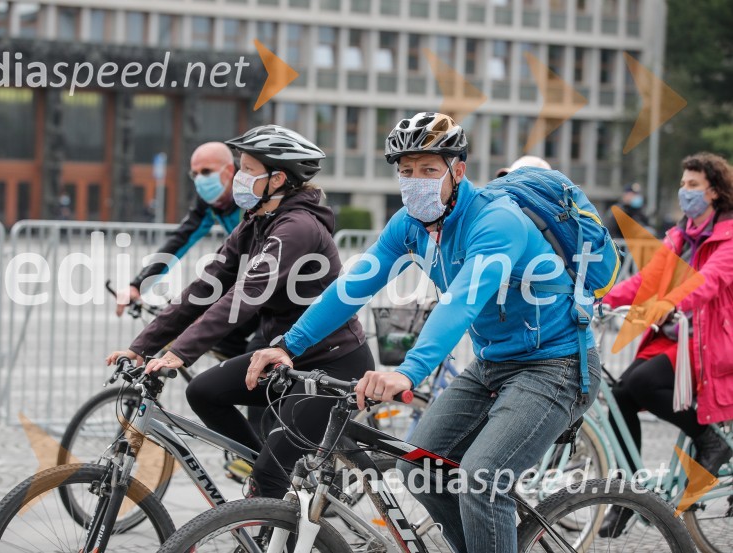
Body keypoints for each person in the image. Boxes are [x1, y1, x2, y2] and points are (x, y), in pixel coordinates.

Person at [248, 112, 601, 553]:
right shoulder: (410, 225)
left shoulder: (498, 221)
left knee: (482, 480)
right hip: (493, 364)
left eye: (429, 169)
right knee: (420, 467)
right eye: (406, 170)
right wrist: (288, 346)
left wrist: (408, 372)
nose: (416, 181)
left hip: (557, 365)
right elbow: (353, 286)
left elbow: (462, 301)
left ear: (458, 171)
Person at [106, 125, 373, 499]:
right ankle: (270, 478)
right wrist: (143, 346)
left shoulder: (297, 227)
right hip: (284, 358)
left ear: (277, 179)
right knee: (204, 392)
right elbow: (205, 287)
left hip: (331, 365)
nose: (239, 178)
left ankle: (270, 495)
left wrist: (180, 352)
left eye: (248, 169)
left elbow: (245, 295)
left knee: (269, 473)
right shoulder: (256, 222)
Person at [600, 152, 733, 536]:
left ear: (714, 191)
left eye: (693, 185)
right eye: (683, 183)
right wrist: (600, 299)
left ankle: (711, 441)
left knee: (642, 383)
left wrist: (670, 303)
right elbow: (645, 281)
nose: (684, 191)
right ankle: (629, 496)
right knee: (619, 396)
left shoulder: (728, 236)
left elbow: (708, 281)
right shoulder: (680, 235)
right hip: (676, 338)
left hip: (710, 342)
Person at [115, 141, 257, 359]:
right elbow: (181, 239)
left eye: (206, 172)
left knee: (254, 349)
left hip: (277, 278)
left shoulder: (253, 190)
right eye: (195, 174)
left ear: (229, 171)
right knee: (218, 335)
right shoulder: (209, 201)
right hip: (246, 272)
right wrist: (138, 284)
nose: (200, 179)